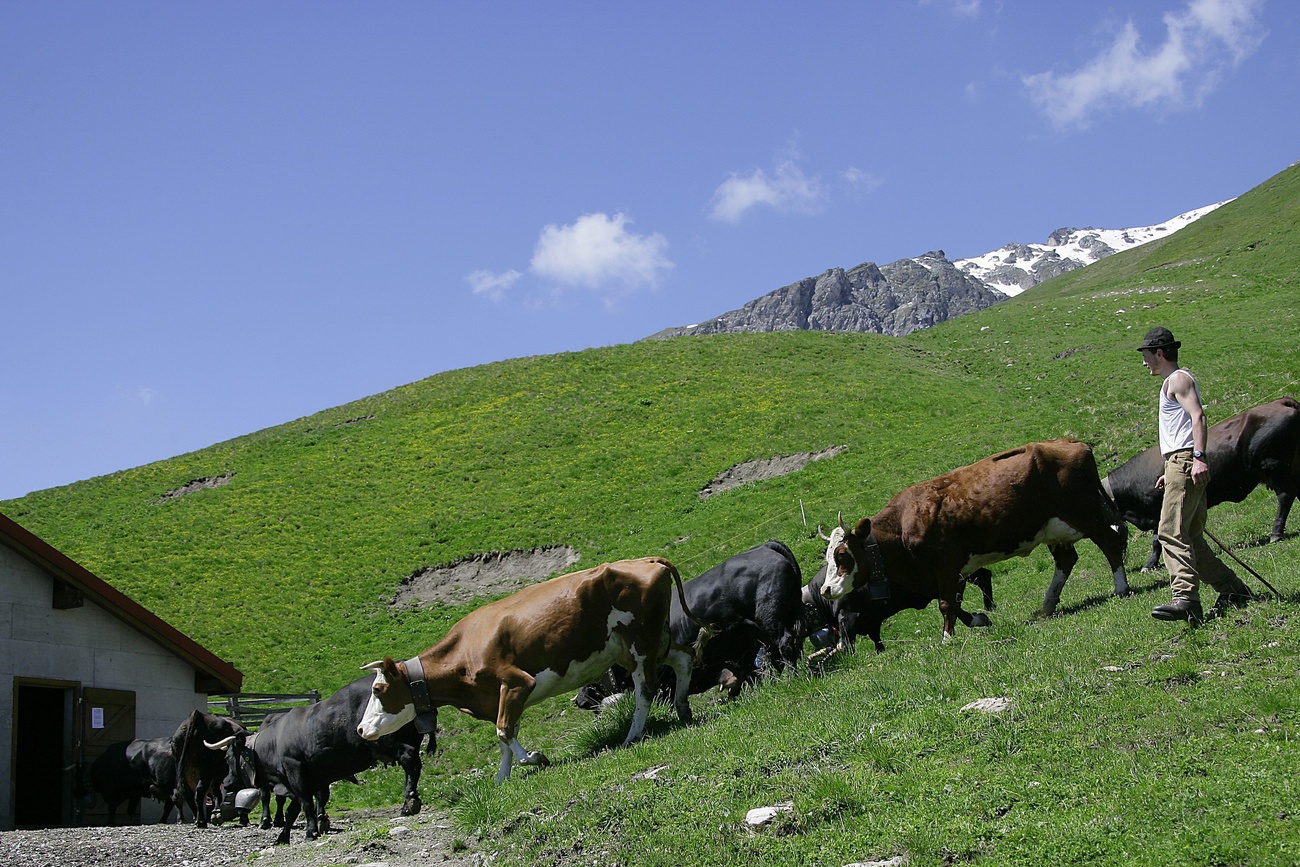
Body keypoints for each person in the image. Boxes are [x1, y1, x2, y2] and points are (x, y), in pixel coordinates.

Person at [1136, 326, 1252, 624]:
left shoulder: (1178, 379)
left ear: (1160, 352)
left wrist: (1197, 458)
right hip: (1180, 463)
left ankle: (1185, 599)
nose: (1144, 361)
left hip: (1186, 461)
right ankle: (1234, 591)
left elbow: (1198, 416)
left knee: (1170, 532)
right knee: (1193, 538)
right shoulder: (1173, 381)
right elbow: (1180, 430)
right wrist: (1169, 470)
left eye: (1147, 355)